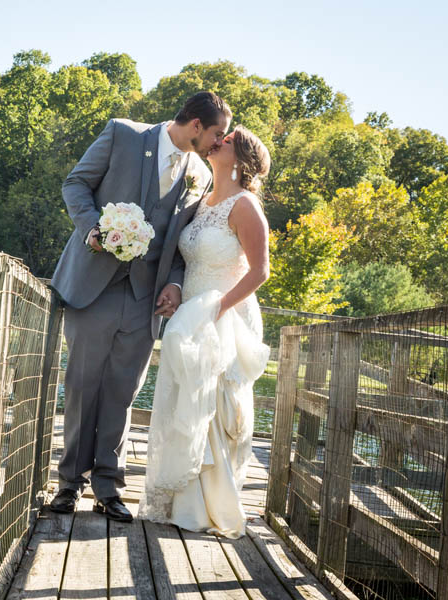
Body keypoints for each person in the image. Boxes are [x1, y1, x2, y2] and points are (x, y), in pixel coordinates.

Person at [49, 92, 232, 522]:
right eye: (217, 133)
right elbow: (75, 184)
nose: (218, 142)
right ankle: (69, 484)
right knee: (82, 386)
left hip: (145, 298)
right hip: (93, 286)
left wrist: (174, 283)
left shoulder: (199, 174)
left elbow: (183, 242)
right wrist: (93, 228)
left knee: (123, 392)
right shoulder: (122, 134)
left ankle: (108, 488)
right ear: (195, 125)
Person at [139, 125, 272, 538]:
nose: (218, 140)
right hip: (191, 313)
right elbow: (188, 259)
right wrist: (179, 293)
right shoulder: (201, 202)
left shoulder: (245, 205)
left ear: (242, 159)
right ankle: (182, 501)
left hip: (225, 314)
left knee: (213, 405)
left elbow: (260, 271)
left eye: (228, 140)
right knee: (186, 399)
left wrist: (218, 309)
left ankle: (211, 505)